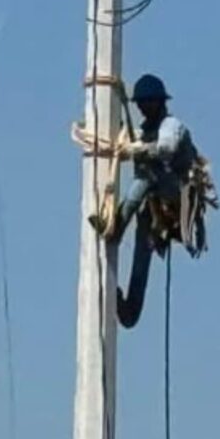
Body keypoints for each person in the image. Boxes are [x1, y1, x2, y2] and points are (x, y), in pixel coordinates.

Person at [74, 73, 195, 328]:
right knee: (142, 255)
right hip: (151, 208)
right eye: (139, 104)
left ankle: (115, 226)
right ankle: (129, 312)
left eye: (145, 103)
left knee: (145, 179)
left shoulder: (171, 126)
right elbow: (128, 143)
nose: (141, 108)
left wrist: (139, 149)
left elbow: (167, 148)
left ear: (158, 102)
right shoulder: (144, 130)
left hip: (171, 194)